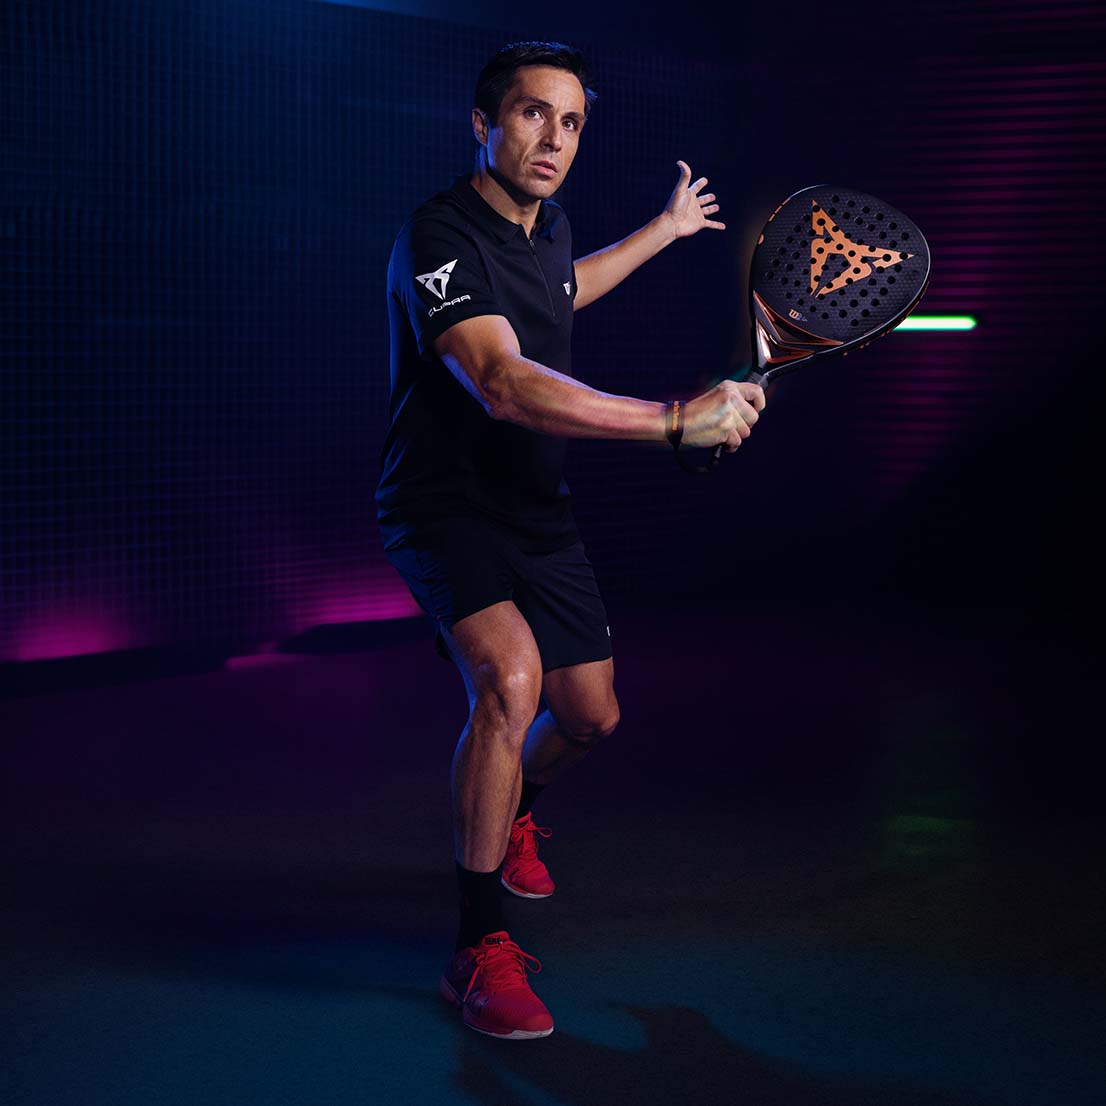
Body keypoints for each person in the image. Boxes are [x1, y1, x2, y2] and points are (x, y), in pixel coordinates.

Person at [376, 41, 765, 1040]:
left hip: (535, 510)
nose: (552, 138)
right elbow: (501, 383)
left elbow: (560, 289)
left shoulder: (546, 226)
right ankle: (475, 948)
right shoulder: (436, 237)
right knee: (508, 684)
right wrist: (673, 418)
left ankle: (511, 817)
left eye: (571, 122)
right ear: (481, 122)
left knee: (589, 715)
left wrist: (663, 231)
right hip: (442, 503)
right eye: (530, 115)